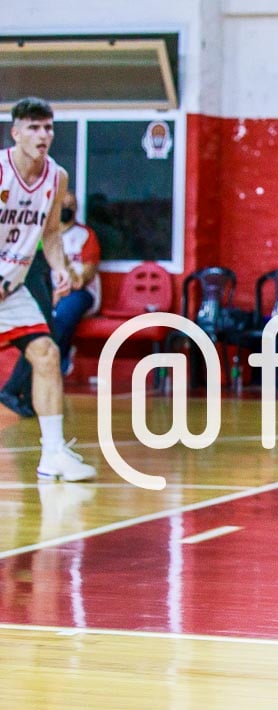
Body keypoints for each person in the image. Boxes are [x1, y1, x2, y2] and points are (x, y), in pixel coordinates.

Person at [0, 97, 96, 481]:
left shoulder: (57, 177)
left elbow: (52, 232)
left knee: (45, 352)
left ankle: (53, 453)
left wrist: (62, 268)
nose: (44, 135)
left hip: (13, 286)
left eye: (49, 127)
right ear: (16, 132)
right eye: (35, 127)